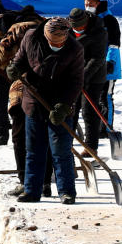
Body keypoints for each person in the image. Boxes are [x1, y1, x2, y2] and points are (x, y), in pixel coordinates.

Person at [7, 17, 85, 204]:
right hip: (34, 101)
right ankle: (32, 191)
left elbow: (76, 82)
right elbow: (20, 60)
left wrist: (64, 106)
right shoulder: (31, 37)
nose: (54, 45)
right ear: (45, 35)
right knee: (34, 149)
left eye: (58, 43)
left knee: (61, 151)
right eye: (51, 42)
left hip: (59, 106)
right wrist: (15, 68)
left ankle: (66, 191)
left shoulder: (75, 49)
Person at [0, 9, 44, 146]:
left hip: (20, 71)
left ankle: (25, 134)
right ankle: (1, 135)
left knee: (20, 103)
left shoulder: (23, 30)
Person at [69, 7, 108, 153]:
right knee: (71, 108)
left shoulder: (99, 32)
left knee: (88, 110)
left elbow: (97, 58)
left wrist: (83, 77)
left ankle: (91, 146)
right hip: (74, 74)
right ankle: (67, 143)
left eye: (80, 27)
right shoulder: (68, 29)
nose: (77, 29)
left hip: (94, 76)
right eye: (75, 27)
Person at [85, 0, 122, 124]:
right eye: (86, 4)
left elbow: (114, 44)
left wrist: (110, 62)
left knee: (105, 97)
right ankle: (96, 128)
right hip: (92, 65)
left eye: (91, 4)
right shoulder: (88, 19)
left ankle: (107, 129)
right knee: (92, 98)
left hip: (108, 67)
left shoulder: (109, 20)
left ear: (98, 4)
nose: (88, 7)